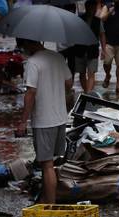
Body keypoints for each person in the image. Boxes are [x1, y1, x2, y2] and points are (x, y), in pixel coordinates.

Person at [16, 38, 73, 204]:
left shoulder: (33, 63)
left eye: (22, 47)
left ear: (27, 44)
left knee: (46, 165)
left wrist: (23, 121)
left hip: (44, 120)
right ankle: (45, 199)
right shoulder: (58, 57)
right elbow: (69, 83)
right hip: (60, 117)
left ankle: (50, 205)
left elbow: (30, 93)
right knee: (51, 163)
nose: (23, 50)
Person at [73, 0, 105, 93]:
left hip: (93, 50)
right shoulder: (79, 19)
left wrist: (103, 50)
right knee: (81, 73)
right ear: (87, 7)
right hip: (80, 50)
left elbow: (102, 35)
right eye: (92, 7)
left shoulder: (98, 21)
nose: (94, 10)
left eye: (95, 8)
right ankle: (86, 91)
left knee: (91, 73)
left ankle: (88, 93)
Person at [102, 0, 119, 92]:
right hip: (108, 42)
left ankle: (118, 85)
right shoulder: (107, 7)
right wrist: (110, 12)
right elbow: (102, 18)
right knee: (107, 63)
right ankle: (107, 75)